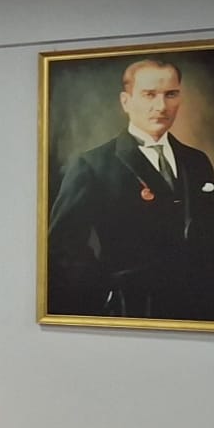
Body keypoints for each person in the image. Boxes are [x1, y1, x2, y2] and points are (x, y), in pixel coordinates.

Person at [47, 57, 214, 321]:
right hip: (133, 311)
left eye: (170, 94)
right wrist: (107, 292)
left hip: (198, 311)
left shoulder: (197, 161)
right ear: (126, 101)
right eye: (149, 95)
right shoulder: (92, 165)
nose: (161, 106)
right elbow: (63, 246)